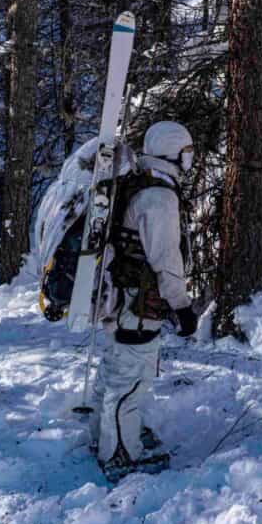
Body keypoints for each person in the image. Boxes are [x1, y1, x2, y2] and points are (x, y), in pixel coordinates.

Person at [92, 120, 200, 482]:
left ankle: (107, 437)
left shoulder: (142, 180)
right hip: (138, 301)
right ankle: (121, 454)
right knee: (131, 379)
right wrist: (182, 305)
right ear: (173, 151)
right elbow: (166, 258)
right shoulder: (160, 197)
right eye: (187, 152)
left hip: (120, 297)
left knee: (114, 371)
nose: (191, 159)